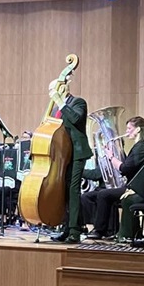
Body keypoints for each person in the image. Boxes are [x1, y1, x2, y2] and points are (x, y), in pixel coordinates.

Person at [82, 116, 144, 239]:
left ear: (137, 130)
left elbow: (124, 169)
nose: (126, 132)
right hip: (133, 186)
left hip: (136, 189)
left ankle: (100, 231)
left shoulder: (142, 147)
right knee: (100, 194)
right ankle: (104, 230)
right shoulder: (139, 147)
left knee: (103, 194)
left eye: (129, 128)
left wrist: (111, 156)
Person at [49, 79, 90, 244]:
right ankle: (68, 227)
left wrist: (60, 102)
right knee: (64, 191)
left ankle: (74, 231)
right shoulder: (55, 110)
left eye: (52, 89)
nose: (50, 93)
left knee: (73, 190)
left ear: (62, 88)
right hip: (62, 155)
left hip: (77, 153)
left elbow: (76, 119)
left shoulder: (78, 102)